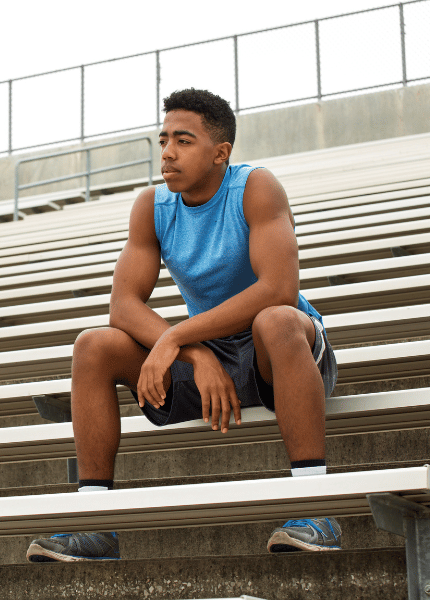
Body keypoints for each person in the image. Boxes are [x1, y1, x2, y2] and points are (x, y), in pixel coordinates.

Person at [27, 88, 340, 563]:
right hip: (208, 352)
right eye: (163, 140)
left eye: (184, 141)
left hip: (279, 351)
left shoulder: (255, 187)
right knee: (95, 345)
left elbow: (277, 288)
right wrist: (195, 352)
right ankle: (95, 522)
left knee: (276, 320)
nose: (168, 152)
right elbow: (123, 305)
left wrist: (176, 336)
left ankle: (316, 509)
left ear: (221, 153)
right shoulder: (151, 206)